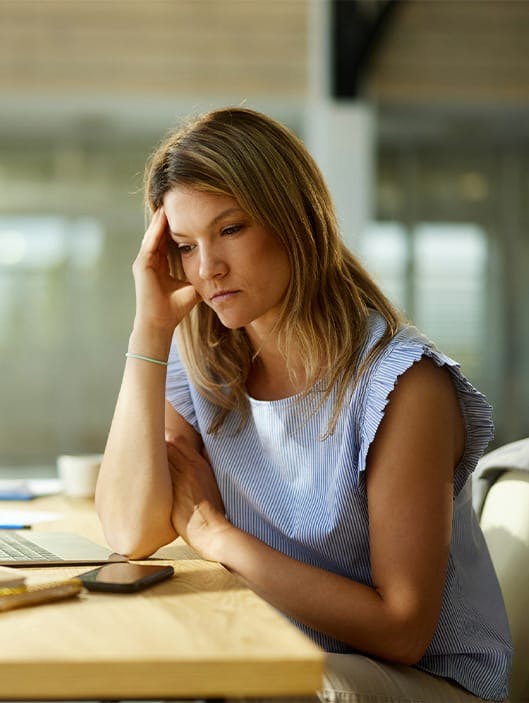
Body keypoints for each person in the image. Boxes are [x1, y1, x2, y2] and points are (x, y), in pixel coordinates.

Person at [94, 107, 511, 702]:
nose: (207, 268)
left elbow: (403, 629)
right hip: (280, 648)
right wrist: (149, 331)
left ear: (295, 222)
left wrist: (217, 537)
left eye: (231, 230)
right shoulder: (206, 365)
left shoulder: (401, 385)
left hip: (420, 681)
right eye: (185, 246)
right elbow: (130, 530)